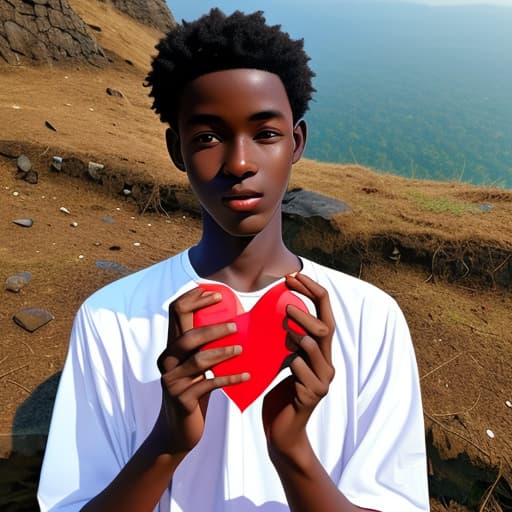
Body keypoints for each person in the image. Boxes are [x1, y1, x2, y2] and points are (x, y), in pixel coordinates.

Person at [37, 8, 429, 512]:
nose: (240, 163)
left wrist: (293, 452)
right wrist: (166, 442)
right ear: (176, 149)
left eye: (265, 134)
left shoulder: (372, 319)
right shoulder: (109, 318)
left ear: (297, 143)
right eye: (207, 137)